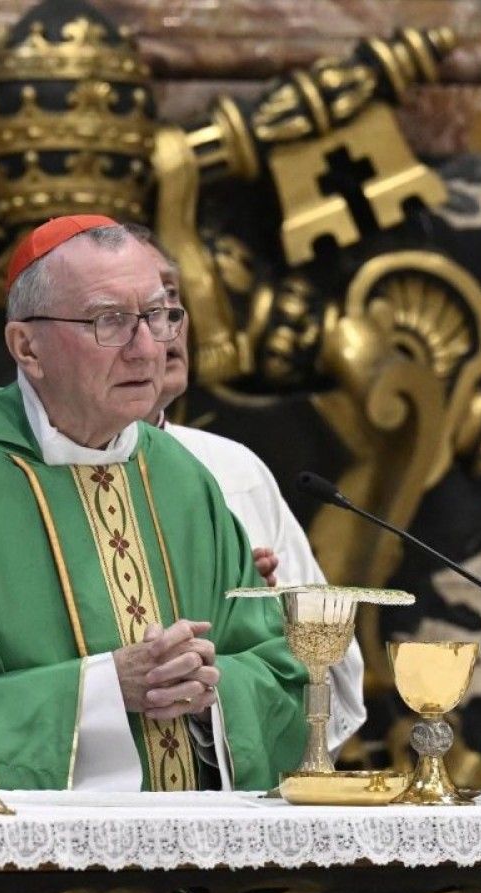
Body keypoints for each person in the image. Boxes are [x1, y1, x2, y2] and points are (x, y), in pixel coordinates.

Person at [0, 215, 305, 791]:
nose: (145, 350)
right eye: (109, 321)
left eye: (159, 316)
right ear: (27, 347)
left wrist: (212, 690)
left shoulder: (188, 483)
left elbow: (282, 674)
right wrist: (105, 692)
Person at [144, 245, 367, 757]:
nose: (166, 332)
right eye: (136, 313)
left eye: (171, 308)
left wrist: (262, 617)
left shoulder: (233, 469)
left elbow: (334, 673)